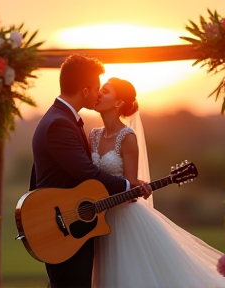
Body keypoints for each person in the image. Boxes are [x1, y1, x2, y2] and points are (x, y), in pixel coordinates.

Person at [90, 77, 225, 288]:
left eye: (105, 90)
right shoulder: (92, 136)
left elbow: (129, 184)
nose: (99, 93)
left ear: (118, 103)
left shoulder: (126, 137)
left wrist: (133, 186)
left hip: (122, 219)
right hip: (98, 217)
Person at [29, 55, 151, 288]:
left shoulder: (65, 120)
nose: (98, 93)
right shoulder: (59, 123)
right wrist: (128, 186)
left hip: (83, 222)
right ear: (85, 90)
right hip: (64, 225)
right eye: (97, 88)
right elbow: (86, 172)